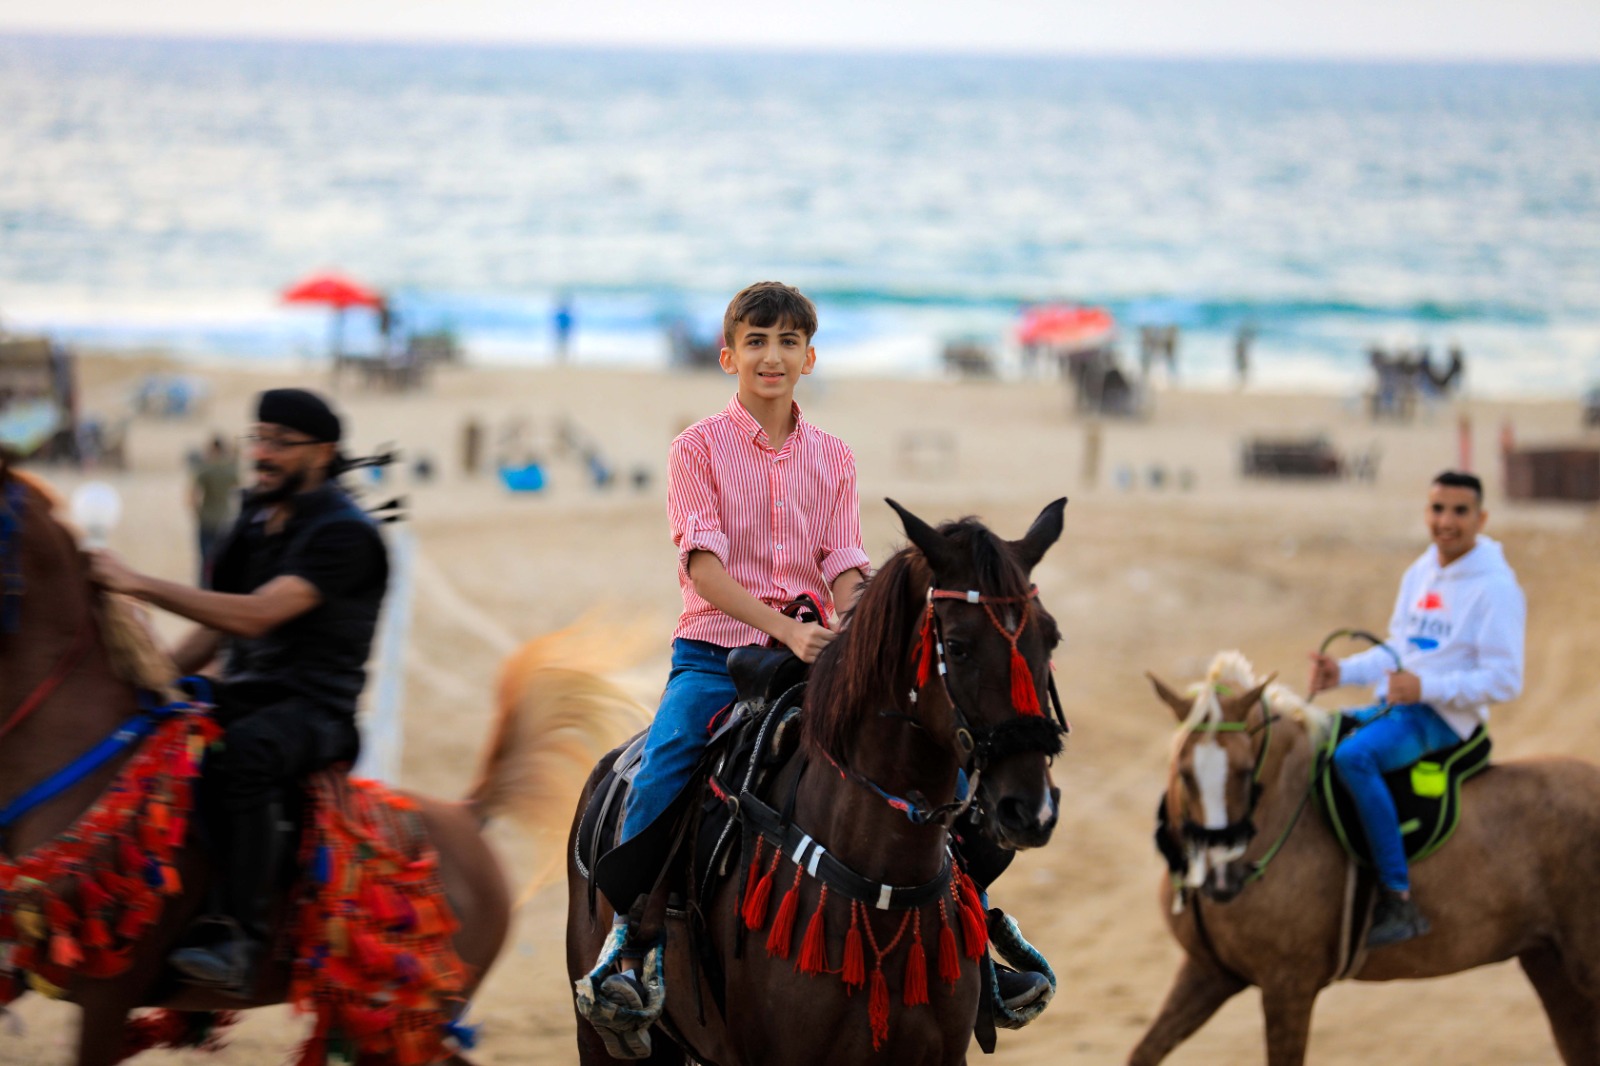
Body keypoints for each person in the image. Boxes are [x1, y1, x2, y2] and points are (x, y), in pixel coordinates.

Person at [87, 388, 389, 997]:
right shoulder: (254, 519)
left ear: (322, 452)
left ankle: (238, 937)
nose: (264, 453)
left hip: (315, 710)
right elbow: (214, 626)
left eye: (281, 442)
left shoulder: (347, 534)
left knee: (243, 756)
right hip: (248, 691)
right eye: (260, 438)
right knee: (146, 733)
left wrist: (136, 582)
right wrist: (159, 683)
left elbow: (255, 616)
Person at [1308, 470, 1524, 948]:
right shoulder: (1420, 571)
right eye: (1437, 509)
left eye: (1459, 511)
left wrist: (1425, 687)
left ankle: (1398, 897)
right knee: (1313, 736)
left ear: (1481, 518)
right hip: (1399, 704)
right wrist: (1340, 673)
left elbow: (1506, 680)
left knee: (1353, 758)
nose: (1446, 521)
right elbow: (1396, 653)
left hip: (1443, 719)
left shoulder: (1496, 588)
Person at [190, 434, 239, 583]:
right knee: (222, 559)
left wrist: (198, 513)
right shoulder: (230, 470)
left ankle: (204, 591)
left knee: (205, 559)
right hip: (224, 519)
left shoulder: (206, 469)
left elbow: (192, 496)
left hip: (207, 519)